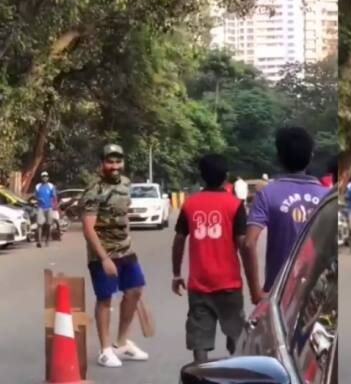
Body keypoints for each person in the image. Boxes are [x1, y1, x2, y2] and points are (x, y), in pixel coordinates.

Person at [171, 154, 262, 363]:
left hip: (199, 285)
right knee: (237, 337)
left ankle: (202, 376)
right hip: (229, 284)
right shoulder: (234, 205)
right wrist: (252, 285)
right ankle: (236, 373)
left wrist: (176, 274)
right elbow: (244, 246)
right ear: (226, 177)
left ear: (201, 176)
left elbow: (178, 241)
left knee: (200, 341)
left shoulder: (190, 204)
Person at [80, 144, 149, 367]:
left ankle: (122, 343)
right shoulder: (93, 190)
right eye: (110, 162)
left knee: (135, 290)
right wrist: (104, 259)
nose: (114, 166)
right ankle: (105, 349)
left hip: (125, 249)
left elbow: (124, 215)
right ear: (102, 164)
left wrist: (129, 240)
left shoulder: (127, 184)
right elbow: (88, 228)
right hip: (102, 252)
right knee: (105, 298)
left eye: (118, 161)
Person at [245, 127, 328, 293]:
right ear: (311, 156)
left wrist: (255, 292)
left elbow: (248, 243)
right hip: (316, 291)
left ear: (279, 158)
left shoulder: (267, 194)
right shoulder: (326, 196)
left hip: (278, 291)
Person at [35, 171, 57, 248]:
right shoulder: (38, 186)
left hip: (49, 207)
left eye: (46, 176)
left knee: (48, 225)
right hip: (40, 207)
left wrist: (54, 205)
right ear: (41, 178)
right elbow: (36, 196)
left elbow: (54, 196)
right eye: (43, 176)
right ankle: (39, 241)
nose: (45, 178)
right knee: (39, 224)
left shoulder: (51, 186)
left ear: (48, 177)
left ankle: (47, 239)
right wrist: (39, 199)